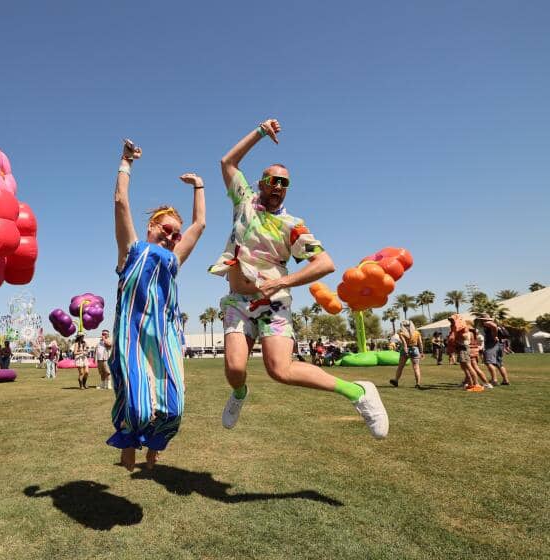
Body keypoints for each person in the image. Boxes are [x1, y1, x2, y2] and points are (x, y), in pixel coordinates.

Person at [211, 117, 388, 439]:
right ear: (261, 183)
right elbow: (228, 162)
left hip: (273, 302)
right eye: (273, 180)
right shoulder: (244, 202)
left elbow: (325, 263)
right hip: (238, 300)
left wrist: (282, 282)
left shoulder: (292, 226)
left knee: (280, 370)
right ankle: (239, 393)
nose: (278, 187)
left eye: (284, 183)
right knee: (235, 369)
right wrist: (260, 132)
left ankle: (359, 392)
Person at [109, 138, 206, 470]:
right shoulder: (132, 250)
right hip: (132, 336)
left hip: (166, 338)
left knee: (174, 408)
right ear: (152, 227)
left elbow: (199, 225)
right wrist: (126, 163)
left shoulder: (174, 260)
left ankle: (154, 445)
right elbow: (121, 202)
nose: (172, 237)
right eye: (167, 229)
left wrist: (199, 186)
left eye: (176, 234)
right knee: (138, 405)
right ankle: (128, 441)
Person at [477, 314, 511, 385]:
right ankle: (505, 380)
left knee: (488, 362)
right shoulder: (495, 323)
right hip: (500, 345)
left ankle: (494, 380)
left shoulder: (487, 323)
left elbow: (494, 326)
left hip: (492, 345)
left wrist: (494, 336)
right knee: (499, 364)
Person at [390, 320, 424, 389]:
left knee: (400, 367)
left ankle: (396, 380)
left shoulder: (401, 333)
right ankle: (418, 383)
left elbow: (404, 343)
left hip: (405, 350)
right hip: (415, 349)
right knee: (416, 367)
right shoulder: (417, 333)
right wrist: (421, 352)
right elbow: (420, 343)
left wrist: (406, 351)